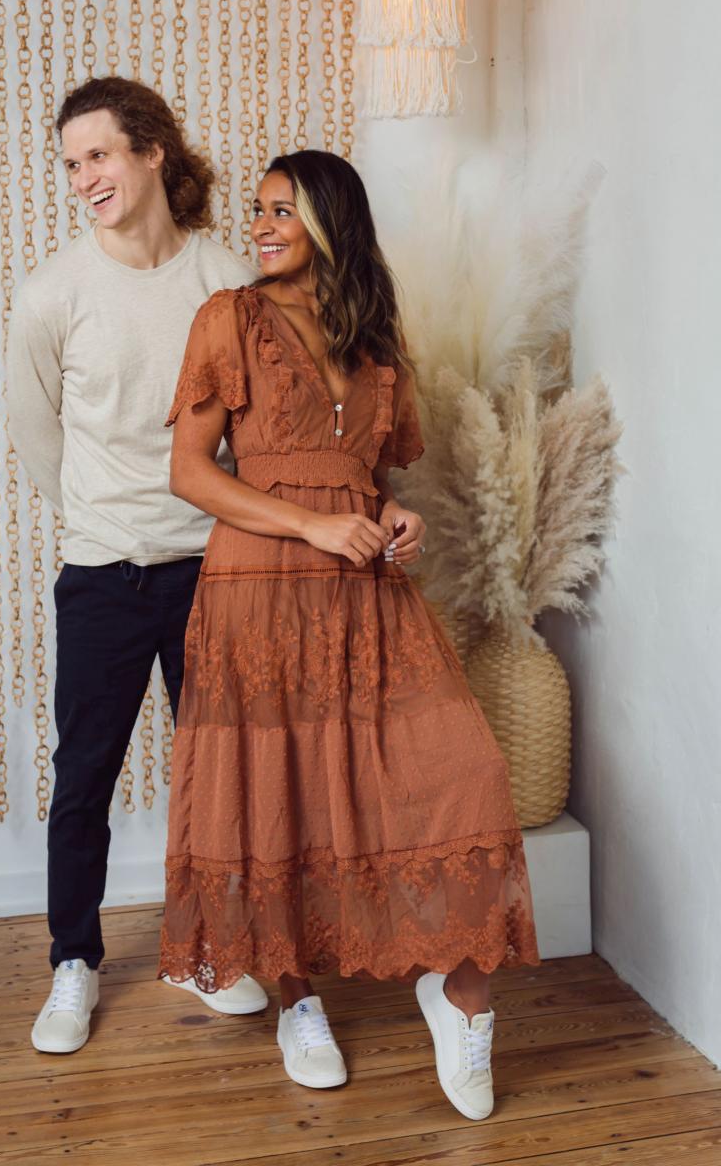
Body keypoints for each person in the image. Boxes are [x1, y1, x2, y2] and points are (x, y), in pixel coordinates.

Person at [158, 150, 540, 1118]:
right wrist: (312, 526)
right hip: (255, 592)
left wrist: (391, 512)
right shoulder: (228, 319)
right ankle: (296, 1000)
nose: (260, 225)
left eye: (281, 210)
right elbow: (191, 473)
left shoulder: (375, 338)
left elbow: (372, 474)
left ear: (332, 221)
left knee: (463, 773)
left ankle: (459, 997)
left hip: (363, 590)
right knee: (277, 796)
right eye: (257, 210)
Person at [6, 76, 267, 1055]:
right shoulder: (51, 294)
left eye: (99, 156)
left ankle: (225, 953)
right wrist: (100, 520)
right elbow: (37, 434)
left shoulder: (224, 279)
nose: (83, 178)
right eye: (71, 164)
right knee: (83, 778)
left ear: (153, 151)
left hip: (213, 569)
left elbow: (256, 432)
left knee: (226, 777)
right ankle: (73, 962)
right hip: (102, 576)